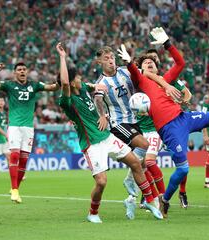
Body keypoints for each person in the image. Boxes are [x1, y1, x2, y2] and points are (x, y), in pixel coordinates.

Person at [117, 27, 209, 218]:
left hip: (185, 118)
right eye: (145, 63)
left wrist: (167, 43)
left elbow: (180, 63)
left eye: (152, 62)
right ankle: (165, 200)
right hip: (169, 129)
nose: (148, 64)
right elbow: (135, 73)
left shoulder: (167, 79)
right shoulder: (142, 83)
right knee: (183, 168)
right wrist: (130, 62)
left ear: (157, 67)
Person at [55, 42, 162, 223]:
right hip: (92, 144)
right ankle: (93, 213)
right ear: (72, 82)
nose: (81, 79)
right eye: (78, 78)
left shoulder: (82, 89)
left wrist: (98, 91)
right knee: (102, 181)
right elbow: (65, 82)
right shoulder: (66, 101)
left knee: (136, 163)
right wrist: (63, 57)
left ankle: (150, 200)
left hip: (108, 137)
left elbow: (92, 86)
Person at [93, 46, 158, 220]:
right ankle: (131, 183)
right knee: (144, 145)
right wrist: (102, 116)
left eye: (112, 57)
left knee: (140, 164)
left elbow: (140, 79)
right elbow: (97, 98)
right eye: (106, 58)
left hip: (134, 120)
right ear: (99, 61)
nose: (110, 60)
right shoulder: (101, 82)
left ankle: (131, 199)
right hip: (118, 123)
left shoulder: (124, 72)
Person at [0, 61, 60, 203]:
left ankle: (16, 189)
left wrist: (60, 81)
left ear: (27, 72)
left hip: (28, 128)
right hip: (14, 126)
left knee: (24, 161)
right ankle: (14, 190)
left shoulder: (34, 85)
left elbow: (52, 88)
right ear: (14, 72)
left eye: (24, 69)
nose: (22, 71)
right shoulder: (9, 85)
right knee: (14, 155)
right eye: (19, 69)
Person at [144, 49, 192, 208]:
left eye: (154, 59)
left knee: (181, 161)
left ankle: (182, 192)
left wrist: (179, 102)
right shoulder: (141, 80)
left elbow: (187, 94)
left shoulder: (168, 78)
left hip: (171, 125)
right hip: (149, 128)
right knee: (144, 164)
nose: (152, 61)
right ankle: (149, 196)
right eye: (148, 59)